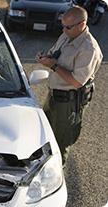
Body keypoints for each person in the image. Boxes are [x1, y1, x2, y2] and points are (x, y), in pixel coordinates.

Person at [36, 6, 102, 161]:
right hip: (54, 96)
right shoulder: (67, 36)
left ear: (81, 24)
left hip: (69, 103)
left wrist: (52, 65)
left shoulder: (89, 49)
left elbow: (77, 81)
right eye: (63, 25)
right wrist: (46, 58)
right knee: (45, 137)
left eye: (68, 27)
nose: (64, 30)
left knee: (59, 146)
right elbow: (55, 54)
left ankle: (56, 180)